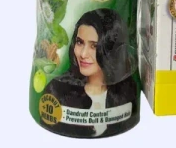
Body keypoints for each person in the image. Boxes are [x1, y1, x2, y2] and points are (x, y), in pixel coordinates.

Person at [42, 9, 138, 138]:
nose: (83, 54)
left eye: (94, 46)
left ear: (111, 49)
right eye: (79, 42)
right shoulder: (56, 90)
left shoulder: (127, 90)